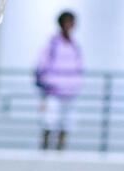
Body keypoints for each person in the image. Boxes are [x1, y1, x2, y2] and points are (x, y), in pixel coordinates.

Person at [35, 10, 83, 151]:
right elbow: (43, 64)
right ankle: (44, 151)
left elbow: (78, 67)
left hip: (70, 92)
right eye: (67, 22)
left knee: (66, 124)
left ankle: (60, 151)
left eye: (71, 22)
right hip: (53, 91)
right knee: (49, 121)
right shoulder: (52, 44)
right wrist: (47, 83)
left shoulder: (74, 45)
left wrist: (75, 83)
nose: (69, 25)